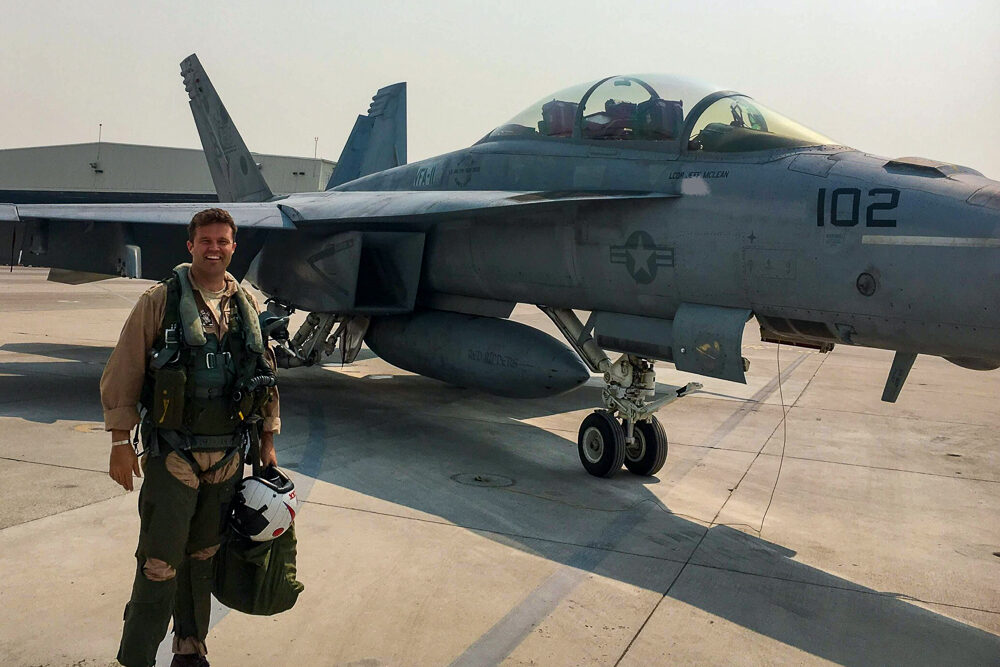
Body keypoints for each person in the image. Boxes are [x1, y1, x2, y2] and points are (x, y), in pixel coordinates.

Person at [102, 208, 280, 667]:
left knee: (203, 556)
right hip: (174, 453)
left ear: (233, 247)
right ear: (191, 245)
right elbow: (124, 370)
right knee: (160, 562)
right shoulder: (160, 301)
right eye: (206, 241)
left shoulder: (246, 307)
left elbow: (264, 377)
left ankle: (190, 649)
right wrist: (121, 441)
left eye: (223, 241)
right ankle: (138, 657)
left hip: (227, 455)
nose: (214, 248)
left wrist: (267, 441)